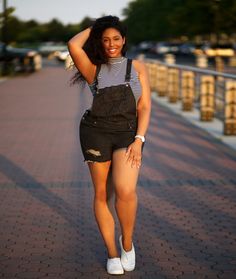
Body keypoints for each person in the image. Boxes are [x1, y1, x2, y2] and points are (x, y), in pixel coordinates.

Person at [68, 15, 151, 275]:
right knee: (102, 194)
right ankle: (112, 254)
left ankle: (126, 243)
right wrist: (98, 27)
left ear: (124, 40)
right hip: (96, 134)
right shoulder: (93, 68)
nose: (111, 43)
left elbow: (144, 106)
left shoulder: (136, 67)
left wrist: (139, 139)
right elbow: (73, 45)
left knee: (125, 191)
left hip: (128, 135)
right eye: (105, 39)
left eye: (116, 38)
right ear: (100, 42)